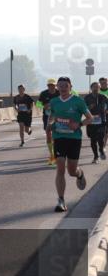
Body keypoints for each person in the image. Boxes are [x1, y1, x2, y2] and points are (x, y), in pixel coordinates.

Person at [47, 76, 93, 212]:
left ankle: (79, 174)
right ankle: (61, 200)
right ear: (57, 87)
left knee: (71, 171)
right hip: (59, 138)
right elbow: (52, 116)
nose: (62, 88)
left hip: (74, 139)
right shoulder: (54, 101)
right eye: (60, 86)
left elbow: (90, 118)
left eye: (65, 86)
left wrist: (78, 124)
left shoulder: (78, 101)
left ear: (70, 87)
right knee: (60, 168)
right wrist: (50, 124)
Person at [84, 82, 108, 163]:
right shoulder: (87, 97)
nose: (96, 88)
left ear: (99, 88)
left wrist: (106, 110)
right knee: (93, 140)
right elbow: (83, 108)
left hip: (101, 121)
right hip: (91, 121)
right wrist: (88, 107)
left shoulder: (103, 97)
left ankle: (101, 149)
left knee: (101, 139)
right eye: (94, 87)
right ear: (91, 88)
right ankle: (96, 157)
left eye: (98, 87)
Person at [37, 78, 59, 165]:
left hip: (58, 116)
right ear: (47, 86)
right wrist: (44, 106)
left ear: (55, 85)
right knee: (48, 134)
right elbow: (38, 104)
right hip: (47, 116)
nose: (51, 87)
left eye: (53, 85)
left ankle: (56, 153)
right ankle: (52, 154)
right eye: (50, 85)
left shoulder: (59, 93)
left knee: (56, 135)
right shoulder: (43, 93)